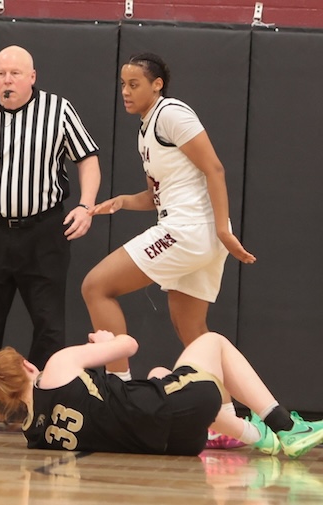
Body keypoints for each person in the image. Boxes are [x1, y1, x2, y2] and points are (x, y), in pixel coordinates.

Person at [80, 53, 255, 447]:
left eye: (134, 84)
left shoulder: (171, 113)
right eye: (122, 84)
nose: (125, 92)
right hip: (197, 233)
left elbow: (215, 169)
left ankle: (119, 392)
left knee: (96, 286)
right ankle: (225, 421)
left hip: (189, 230)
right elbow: (156, 195)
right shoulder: (146, 129)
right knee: (193, 333)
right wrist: (123, 201)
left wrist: (223, 229)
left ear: (157, 84)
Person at [0, 45, 101, 430]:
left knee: (48, 323)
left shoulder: (58, 110)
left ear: (32, 77)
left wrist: (86, 205)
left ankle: (43, 406)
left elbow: (88, 159)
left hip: (43, 232)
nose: (6, 80)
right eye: (0, 73)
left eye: (15, 73)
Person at [0, 330, 323, 458]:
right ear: (27, 366)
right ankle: (285, 426)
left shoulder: (34, 436)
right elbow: (130, 345)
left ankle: (258, 437)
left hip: (176, 445)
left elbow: (107, 407)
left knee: (158, 375)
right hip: (179, 408)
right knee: (213, 342)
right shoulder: (56, 367)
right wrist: (108, 341)